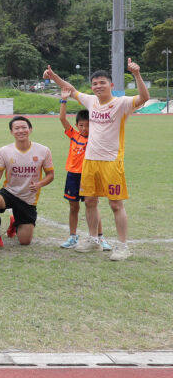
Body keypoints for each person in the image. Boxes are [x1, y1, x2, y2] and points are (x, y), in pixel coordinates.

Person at [43, 60, 148, 260]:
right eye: (95, 83)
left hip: (111, 162)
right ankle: (94, 240)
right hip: (89, 161)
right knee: (90, 201)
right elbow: (70, 89)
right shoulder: (91, 101)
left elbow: (144, 97)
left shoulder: (121, 103)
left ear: (111, 86)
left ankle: (123, 246)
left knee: (116, 205)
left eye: (102, 82)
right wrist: (54, 76)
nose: (98, 86)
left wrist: (137, 75)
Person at [0, 116, 55, 250]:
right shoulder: (4, 151)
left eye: (24, 127)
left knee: (24, 241)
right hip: (9, 192)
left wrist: (40, 184)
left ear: (30, 129)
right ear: (11, 132)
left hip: (28, 198)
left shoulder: (43, 150)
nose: (21, 130)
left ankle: (15, 222)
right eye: (16, 128)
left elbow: (50, 175)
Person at [58, 90, 109, 250]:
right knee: (74, 207)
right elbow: (62, 118)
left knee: (92, 206)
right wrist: (63, 101)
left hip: (90, 175)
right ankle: (73, 237)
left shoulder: (96, 137)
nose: (85, 128)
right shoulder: (74, 135)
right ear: (77, 125)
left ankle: (100, 238)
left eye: (88, 125)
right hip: (73, 175)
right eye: (81, 125)